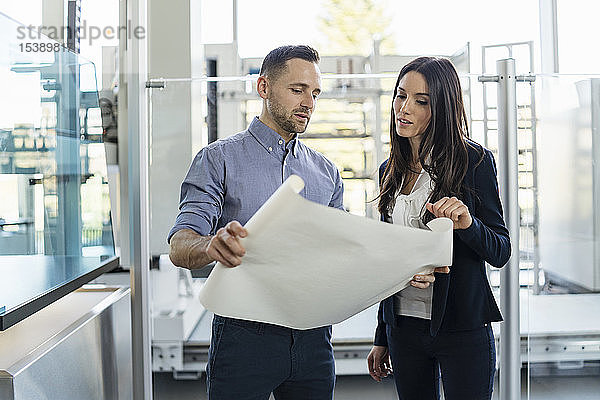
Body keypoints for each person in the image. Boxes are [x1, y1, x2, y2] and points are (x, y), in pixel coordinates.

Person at [366, 57, 511, 400]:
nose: (404, 108)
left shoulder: (473, 160)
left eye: (421, 101)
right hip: (403, 326)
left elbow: (501, 250)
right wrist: (382, 335)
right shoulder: (390, 169)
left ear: (442, 108)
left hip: (461, 326)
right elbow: (389, 256)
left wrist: (468, 224)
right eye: (401, 96)